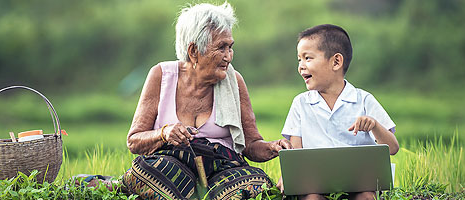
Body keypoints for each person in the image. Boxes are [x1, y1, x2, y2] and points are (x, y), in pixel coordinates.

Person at [122, 3, 291, 199]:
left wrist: (272, 147)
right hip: (172, 164)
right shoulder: (161, 75)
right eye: (221, 47)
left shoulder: (234, 80)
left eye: (231, 47)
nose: (228, 56)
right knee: (153, 172)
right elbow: (134, 141)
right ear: (193, 51)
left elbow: (250, 144)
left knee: (255, 184)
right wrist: (164, 133)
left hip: (221, 166)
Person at [278, 24, 400, 200]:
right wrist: (289, 175)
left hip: (359, 184)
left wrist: (374, 125)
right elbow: (296, 152)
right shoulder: (300, 103)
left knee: (366, 196)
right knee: (312, 197)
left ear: (336, 62)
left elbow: (393, 148)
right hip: (315, 186)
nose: (301, 66)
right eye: (299, 59)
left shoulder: (364, 100)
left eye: (308, 58)